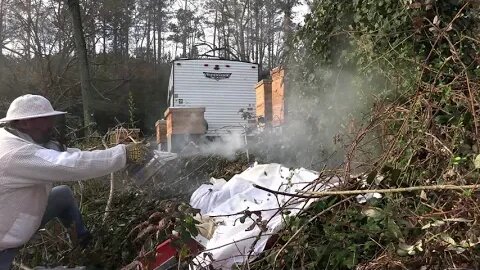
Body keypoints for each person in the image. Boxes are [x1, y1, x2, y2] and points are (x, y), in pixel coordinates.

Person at [0, 94, 139, 269]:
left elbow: (64, 153)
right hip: (4, 246)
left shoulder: (14, 136)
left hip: (15, 217)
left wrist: (102, 152)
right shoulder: (15, 154)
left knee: (62, 194)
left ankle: (85, 243)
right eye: (45, 120)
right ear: (25, 122)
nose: (51, 125)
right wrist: (124, 154)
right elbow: (70, 164)